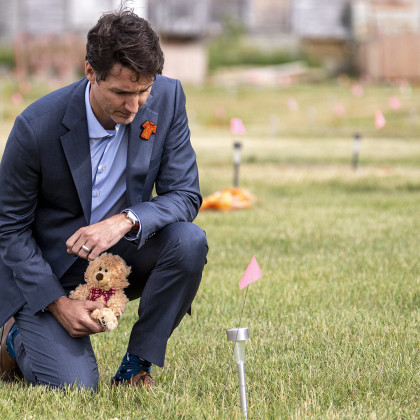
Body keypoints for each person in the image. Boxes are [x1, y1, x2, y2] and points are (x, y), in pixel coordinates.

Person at [0, 7, 208, 391]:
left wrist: (125, 220)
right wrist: (58, 303)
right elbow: (9, 229)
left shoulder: (168, 98)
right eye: (121, 93)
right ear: (90, 72)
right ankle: (13, 337)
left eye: (143, 91)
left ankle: (135, 368)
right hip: (50, 271)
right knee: (75, 387)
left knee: (189, 241)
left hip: (121, 256)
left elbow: (185, 194)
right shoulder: (35, 126)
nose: (135, 106)